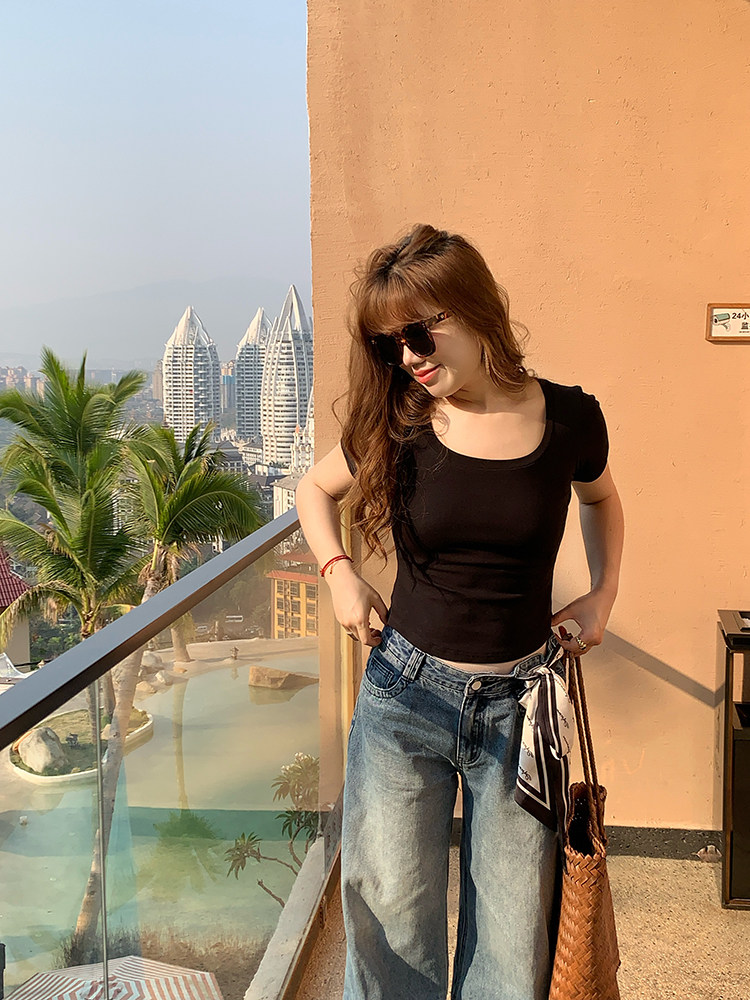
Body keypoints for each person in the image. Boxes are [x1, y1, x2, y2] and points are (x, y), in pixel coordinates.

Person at [295, 223, 624, 1000]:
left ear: (474, 308)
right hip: (404, 699)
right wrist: (340, 574)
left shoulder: (571, 419)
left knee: (511, 946)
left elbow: (601, 499)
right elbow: (315, 490)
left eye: (418, 331)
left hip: (524, 707)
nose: (407, 356)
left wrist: (603, 593)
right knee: (391, 931)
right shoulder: (401, 420)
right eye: (389, 345)